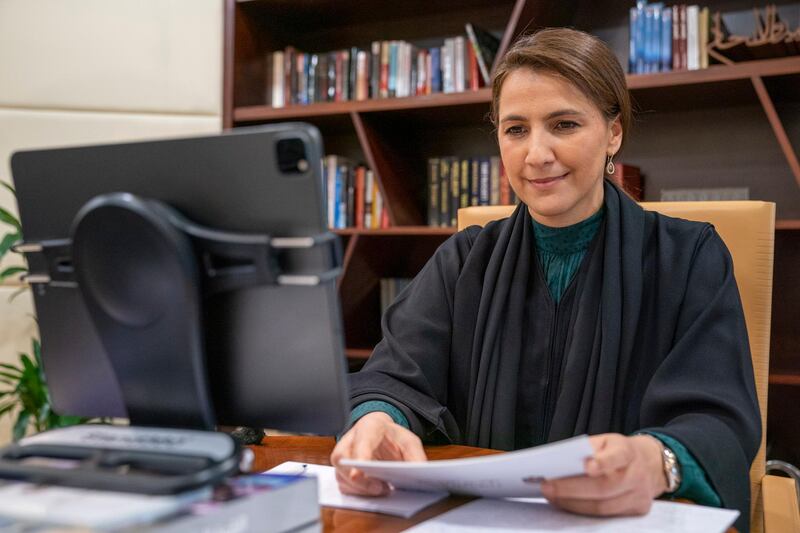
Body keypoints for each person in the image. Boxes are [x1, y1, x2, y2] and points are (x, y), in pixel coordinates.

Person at [331, 27, 760, 532]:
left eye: (564, 124)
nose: (536, 154)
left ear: (613, 134)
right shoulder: (465, 257)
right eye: (516, 129)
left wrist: (657, 461)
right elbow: (394, 376)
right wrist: (379, 420)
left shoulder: (690, 257)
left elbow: (718, 421)